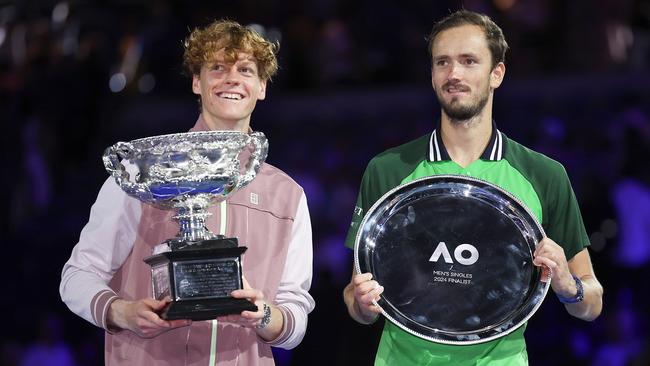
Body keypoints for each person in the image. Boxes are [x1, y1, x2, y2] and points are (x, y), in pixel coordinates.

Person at [342, 10, 603, 365]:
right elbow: (356, 297)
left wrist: (567, 285)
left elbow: (592, 301)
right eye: (443, 63)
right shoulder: (388, 170)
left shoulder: (544, 175)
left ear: (497, 73)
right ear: (432, 76)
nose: (454, 74)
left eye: (469, 61)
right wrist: (360, 304)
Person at [60, 20, 315, 366]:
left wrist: (265, 315)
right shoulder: (145, 172)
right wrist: (122, 312)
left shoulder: (287, 195)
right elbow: (77, 276)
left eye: (245, 70)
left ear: (262, 87)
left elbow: (296, 314)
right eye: (217, 68)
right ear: (198, 81)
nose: (232, 79)